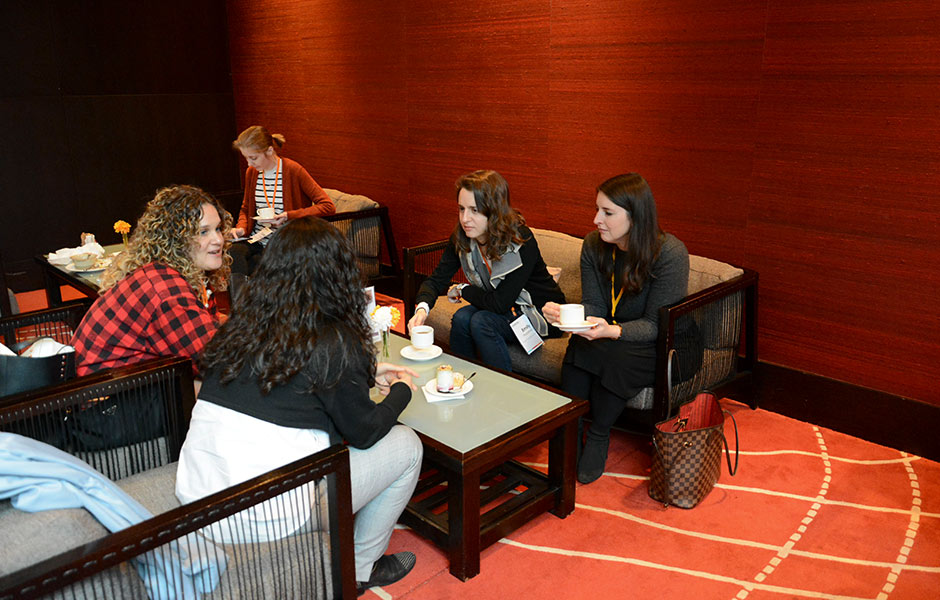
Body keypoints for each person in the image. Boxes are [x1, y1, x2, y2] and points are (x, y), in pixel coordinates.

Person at [175, 217, 423, 595]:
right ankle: (356, 569)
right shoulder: (333, 339)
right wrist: (402, 392)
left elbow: (288, 382)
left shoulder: (244, 323)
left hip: (199, 496)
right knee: (407, 446)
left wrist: (367, 373)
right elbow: (364, 431)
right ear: (337, 272)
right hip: (265, 513)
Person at [542, 173, 702, 484]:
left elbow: (656, 326)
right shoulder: (594, 245)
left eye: (608, 212)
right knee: (578, 343)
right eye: (597, 209)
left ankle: (599, 434)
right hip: (618, 335)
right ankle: (571, 431)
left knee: (617, 356)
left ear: (636, 216)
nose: (596, 219)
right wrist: (566, 315)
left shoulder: (669, 253)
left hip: (670, 344)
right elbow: (596, 308)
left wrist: (610, 332)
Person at [407, 170, 565, 372]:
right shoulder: (461, 238)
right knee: (462, 318)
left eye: (475, 210)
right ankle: (462, 380)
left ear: (494, 211)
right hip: (507, 308)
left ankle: (501, 390)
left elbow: (499, 303)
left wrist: (463, 289)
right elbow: (436, 280)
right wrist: (422, 310)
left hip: (540, 312)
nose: (465, 219)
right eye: (461, 209)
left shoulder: (520, 240)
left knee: (482, 322)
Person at [71, 185, 231, 376]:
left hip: (128, 384)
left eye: (218, 229)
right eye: (203, 232)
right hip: (104, 396)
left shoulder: (182, 273)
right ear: (176, 240)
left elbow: (207, 329)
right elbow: (217, 361)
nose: (218, 240)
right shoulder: (166, 289)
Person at [229, 125, 336, 274]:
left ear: (270, 151)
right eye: (246, 158)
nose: (249, 164)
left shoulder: (293, 170)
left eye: (253, 158)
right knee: (234, 254)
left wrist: (288, 216)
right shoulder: (252, 173)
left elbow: (327, 206)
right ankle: (240, 297)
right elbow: (246, 209)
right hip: (258, 239)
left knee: (261, 264)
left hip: (286, 240)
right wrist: (241, 228)